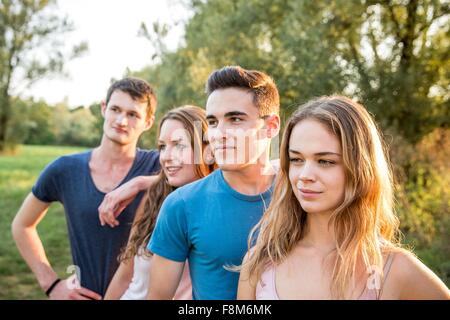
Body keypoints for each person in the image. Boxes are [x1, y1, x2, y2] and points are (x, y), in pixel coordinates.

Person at [237, 95, 450, 300]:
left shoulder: (394, 268)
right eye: (296, 159)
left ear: (360, 168)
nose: (304, 176)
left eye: (325, 161)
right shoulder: (260, 263)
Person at [12, 77, 160, 299]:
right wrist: (51, 285)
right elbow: (22, 225)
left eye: (133, 114)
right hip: (86, 295)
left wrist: (141, 183)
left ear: (148, 122)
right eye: (115, 109)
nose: (121, 120)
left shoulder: (159, 165)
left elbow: (207, 176)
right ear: (103, 108)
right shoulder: (64, 169)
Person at [146, 66, 281, 300]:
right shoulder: (181, 205)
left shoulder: (302, 195)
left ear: (271, 127)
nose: (218, 134)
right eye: (213, 122)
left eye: (235, 119)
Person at [104, 105, 215, 300]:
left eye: (179, 145)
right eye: (163, 146)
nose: (166, 157)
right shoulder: (155, 196)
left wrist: (139, 182)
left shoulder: (217, 207)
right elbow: (125, 274)